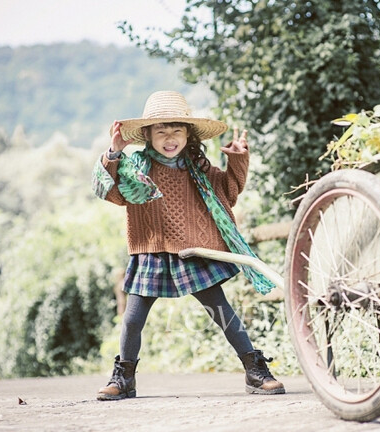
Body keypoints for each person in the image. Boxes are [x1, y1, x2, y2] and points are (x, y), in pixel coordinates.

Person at [91, 90, 284, 400]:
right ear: (147, 134)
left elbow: (228, 192)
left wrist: (237, 159)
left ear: (188, 134)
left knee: (222, 312)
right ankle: (124, 378)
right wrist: (114, 153)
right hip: (152, 251)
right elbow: (111, 192)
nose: (170, 138)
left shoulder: (198, 167)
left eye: (177, 130)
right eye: (162, 131)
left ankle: (255, 371)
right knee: (132, 318)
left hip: (194, 251)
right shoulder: (135, 167)